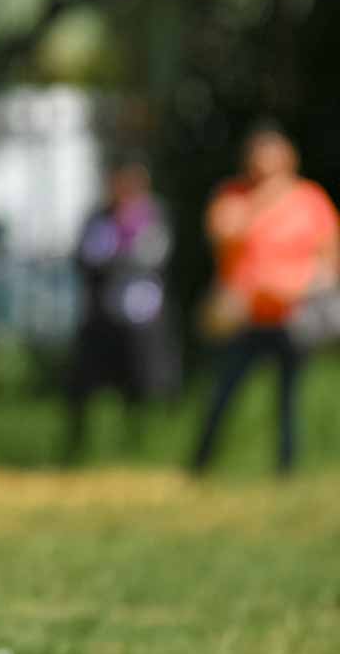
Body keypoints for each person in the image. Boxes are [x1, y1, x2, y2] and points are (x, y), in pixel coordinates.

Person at [191, 123, 340, 475]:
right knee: (223, 392)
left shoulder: (310, 200)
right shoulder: (234, 196)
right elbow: (223, 232)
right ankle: (200, 465)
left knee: (289, 397)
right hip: (244, 317)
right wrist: (268, 196)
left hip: (293, 316)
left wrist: (295, 284)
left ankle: (287, 470)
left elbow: (329, 261)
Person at [63, 157, 174, 463]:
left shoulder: (154, 215)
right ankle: (77, 450)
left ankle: (139, 447)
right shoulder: (97, 219)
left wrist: (118, 259)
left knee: (141, 384)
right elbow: (86, 261)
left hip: (143, 319)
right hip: (102, 317)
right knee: (84, 386)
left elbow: (153, 258)